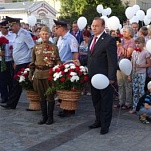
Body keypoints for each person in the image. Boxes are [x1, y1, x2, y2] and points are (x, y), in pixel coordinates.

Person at [73, 17, 117, 134]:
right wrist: (81, 62)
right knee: (96, 100)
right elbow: (90, 56)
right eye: (92, 25)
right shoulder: (92, 39)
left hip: (104, 78)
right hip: (93, 76)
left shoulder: (109, 40)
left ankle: (105, 125)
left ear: (103, 27)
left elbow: (112, 60)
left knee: (106, 102)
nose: (94, 27)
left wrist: (111, 78)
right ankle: (98, 121)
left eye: (97, 25)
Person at [29, 26, 61, 125]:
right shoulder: (36, 47)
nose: (44, 36)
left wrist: (59, 67)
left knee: (50, 96)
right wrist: (31, 73)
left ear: (50, 35)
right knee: (41, 97)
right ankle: (44, 117)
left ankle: (50, 117)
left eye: (46, 34)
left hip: (49, 74)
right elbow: (32, 62)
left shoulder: (54, 47)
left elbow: (57, 60)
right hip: (38, 74)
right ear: (40, 35)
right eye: (43, 34)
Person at [0, 16, 35, 109]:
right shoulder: (16, 35)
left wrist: (32, 63)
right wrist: (15, 61)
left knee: (17, 83)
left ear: (16, 25)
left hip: (25, 63)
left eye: (11, 26)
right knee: (17, 84)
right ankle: (12, 103)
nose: (10, 28)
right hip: (18, 63)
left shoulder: (25, 34)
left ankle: (11, 104)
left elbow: (32, 48)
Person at [53, 19, 79, 117]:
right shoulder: (60, 38)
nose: (55, 30)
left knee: (67, 88)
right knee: (62, 89)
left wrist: (73, 68)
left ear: (62, 29)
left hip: (68, 67)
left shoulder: (71, 39)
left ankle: (69, 109)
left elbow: (75, 54)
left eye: (57, 28)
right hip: (60, 66)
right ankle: (64, 106)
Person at [114, 25, 136, 110]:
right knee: (120, 84)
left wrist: (120, 46)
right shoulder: (122, 40)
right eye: (123, 31)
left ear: (130, 33)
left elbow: (127, 54)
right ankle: (120, 101)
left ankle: (128, 103)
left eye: (126, 32)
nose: (124, 33)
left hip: (126, 64)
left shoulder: (132, 42)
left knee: (127, 84)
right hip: (119, 64)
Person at [129, 37, 151, 114]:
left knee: (141, 91)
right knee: (135, 91)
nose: (137, 45)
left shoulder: (146, 53)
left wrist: (141, 66)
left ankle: (141, 107)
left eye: (139, 43)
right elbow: (131, 63)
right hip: (134, 73)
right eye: (136, 43)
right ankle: (135, 107)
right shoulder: (134, 52)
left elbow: (149, 64)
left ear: (143, 44)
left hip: (142, 73)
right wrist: (130, 74)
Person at [0, 20, 15, 103]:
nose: (6, 29)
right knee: (2, 80)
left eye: (7, 27)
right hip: (1, 61)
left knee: (10, 80)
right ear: (1, 27)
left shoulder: (12, 36)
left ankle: (11, 96)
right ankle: (4, 96)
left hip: (10, 60)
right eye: (4, 28)